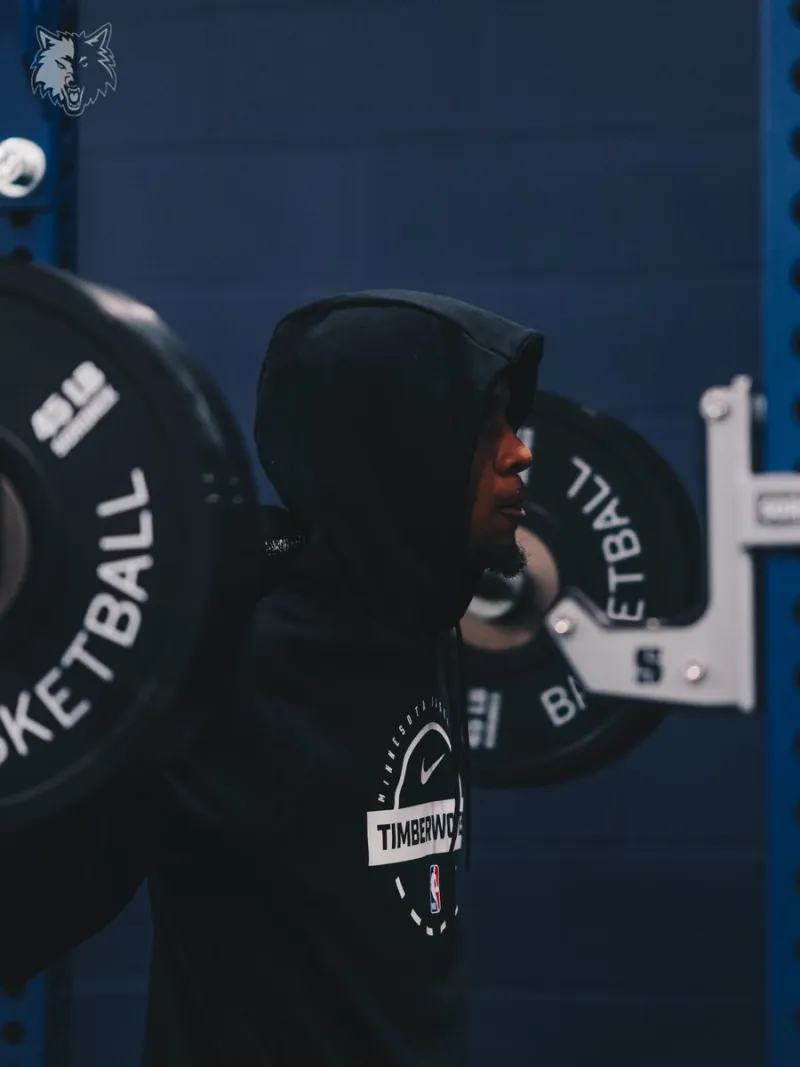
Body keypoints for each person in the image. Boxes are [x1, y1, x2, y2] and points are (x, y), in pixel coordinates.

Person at [1, 291, 542, 1066]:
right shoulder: (223, 654)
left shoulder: (420, 611)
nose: (519, 452)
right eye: (486, 423)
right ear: (399, 448)